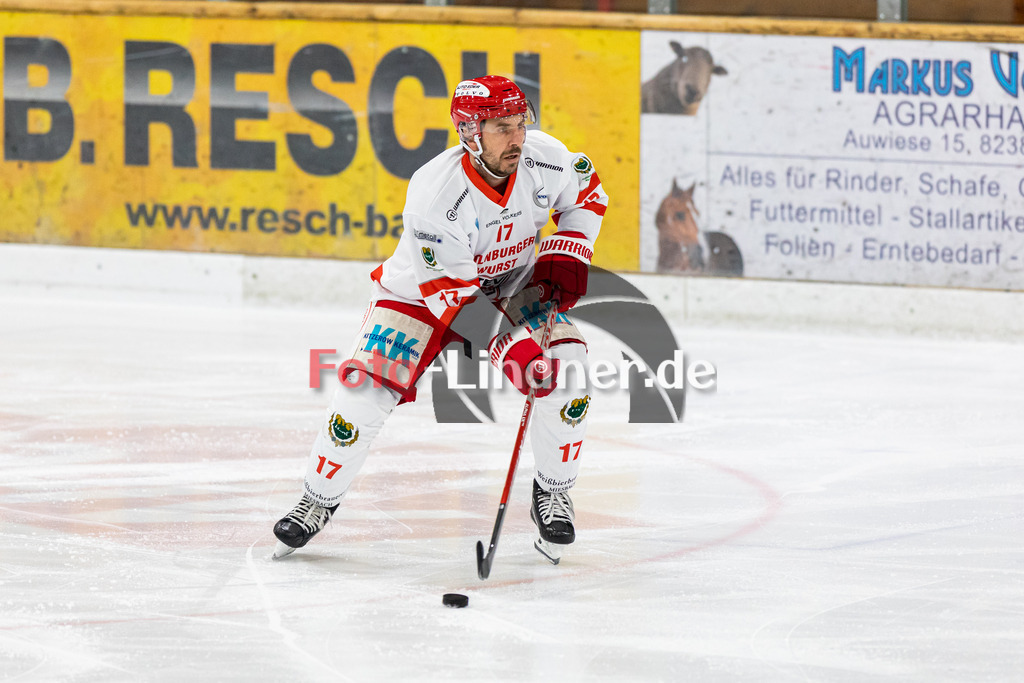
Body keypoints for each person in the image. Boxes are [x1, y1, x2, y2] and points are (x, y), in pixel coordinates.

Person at [272, 75, 607, 565]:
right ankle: (316, 499)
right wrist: (515, 352)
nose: (517, 137)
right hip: (420, 297)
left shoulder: (547, 157)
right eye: (500, 128)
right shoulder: (435, 195)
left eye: (520, 124)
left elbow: (587, 195)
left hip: (510, 282)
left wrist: (567, 251)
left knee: (565, 370)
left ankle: (552, 492)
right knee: (363, 389)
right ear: (469, 132)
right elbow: (458, 305)